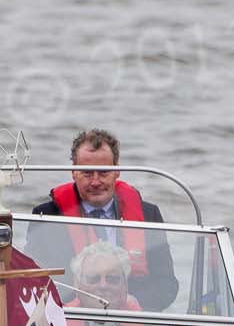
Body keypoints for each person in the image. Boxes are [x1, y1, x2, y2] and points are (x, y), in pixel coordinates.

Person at [32, 128, 177, 311]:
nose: (95, 181)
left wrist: (129, 305)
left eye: (103, 173)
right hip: (72, 320)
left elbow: (167, 284)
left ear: (117, 171)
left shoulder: (149, 215)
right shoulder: (46, 217)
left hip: (135, 321)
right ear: (73, 173)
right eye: (87, 173)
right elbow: (36, 282)